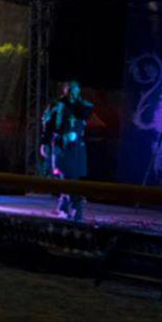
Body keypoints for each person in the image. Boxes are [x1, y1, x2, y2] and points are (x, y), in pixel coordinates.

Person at [40, 80, 94, 221]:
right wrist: (44, 143)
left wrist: (73, 102)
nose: (72, 92)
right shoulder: (56, 105)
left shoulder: (82, 106)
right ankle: (65, 204)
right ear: (64, 90)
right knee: (62, 174)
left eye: (75, 89)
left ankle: (74, 207)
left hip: (76, 146)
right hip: (60, 144)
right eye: (70, 89)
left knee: (73, 176)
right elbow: (48, 124)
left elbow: (84, 113)